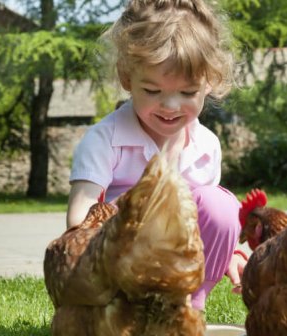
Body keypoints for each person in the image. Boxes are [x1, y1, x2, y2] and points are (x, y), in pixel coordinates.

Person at [65, 0, 245, 311]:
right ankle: (126, 311)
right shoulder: (104, 140)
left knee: (221, 205)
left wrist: (229, 253)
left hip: (176, 267)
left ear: (210, 83)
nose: (171, 106)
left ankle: (190, 308)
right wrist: (140, 201)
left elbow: (208, 223)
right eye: (152, 91)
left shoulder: (205, 146)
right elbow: (78, 222)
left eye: (188, 93)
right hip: (116, 269)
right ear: (126, 77)